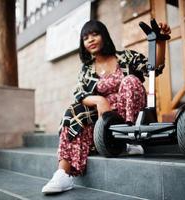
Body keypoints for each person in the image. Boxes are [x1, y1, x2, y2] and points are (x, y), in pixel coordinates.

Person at [41, 19, 171, 194]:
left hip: (131, 113)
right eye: (86, 37)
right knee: (73, 111)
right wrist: (99, 101)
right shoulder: (87, 69)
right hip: (105, 118)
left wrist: (160, 42)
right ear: (83, 44)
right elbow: (80, 95)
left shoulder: (125, 57)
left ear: (104, 36)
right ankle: (63, 173)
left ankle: (130, 139)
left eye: (95, 34)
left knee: (130, 80)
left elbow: (155, 68)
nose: (91, 40)